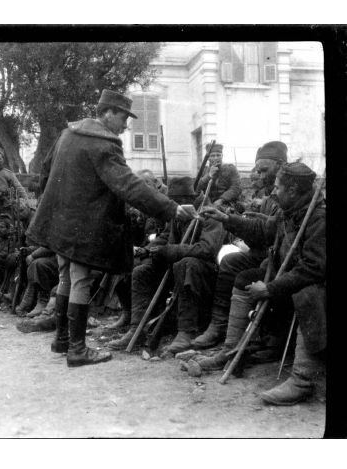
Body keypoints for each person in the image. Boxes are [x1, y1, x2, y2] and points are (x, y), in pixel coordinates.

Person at [27, 89, 195, 367]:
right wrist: (171, 208)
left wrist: (54, 208)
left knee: (67, 278)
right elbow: (128, 185)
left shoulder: (67, 134)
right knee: (80, 280)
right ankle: (78, 351)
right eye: (123, 117)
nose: (126, 125)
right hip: (82, 225)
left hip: (59, 222)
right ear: (107, 113)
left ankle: (63, 340)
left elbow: (44, 173)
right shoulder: (104, 144)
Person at [198, 162, 325, 406]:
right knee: (245, 279)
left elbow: (314, 268)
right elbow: (261, 229)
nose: (274, 191)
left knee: (306, 293)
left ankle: (302, 379)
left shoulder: (318, 218)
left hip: (316, 286)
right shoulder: (288, 212)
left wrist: (270, 288)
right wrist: (226, 218)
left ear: (293, 190)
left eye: (278, 187)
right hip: (291, 279)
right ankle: (232, 351)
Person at [107, 176, 226, 352]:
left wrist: (173, 250)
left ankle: (186, 331)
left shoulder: (211, 213)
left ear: (189, 199)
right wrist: (147, 250)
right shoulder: (181, 211)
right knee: (142, 271)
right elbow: (165, 236)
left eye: (177, 201)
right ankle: (137, 328)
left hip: (204, 271)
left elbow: (208, 249)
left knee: (187, 264)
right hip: (177, 263)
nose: (174, 205)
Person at [192, 141, 288, 350]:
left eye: (264, 171)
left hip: (280, 258)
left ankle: (240, 339)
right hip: (265, 252)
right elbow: (260, 232)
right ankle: (219, 325)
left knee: (243, 272)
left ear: (281, 166)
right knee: (230, 261)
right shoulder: (270, 193)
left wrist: (228, 217)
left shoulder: (285, 193)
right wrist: (229, 219)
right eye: (257, 171)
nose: (259, 176)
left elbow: (266, 231)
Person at [197, 143, 241, 209]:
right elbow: (197, 188)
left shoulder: (231, 168)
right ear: (208, 158)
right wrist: (208, 176)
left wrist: (221, 200)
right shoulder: (204, 170)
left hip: (227, 203)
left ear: (222, 156)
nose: (216, 158)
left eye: (218, 155)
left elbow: (236, 187)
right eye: (212, 156)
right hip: (206, 202)